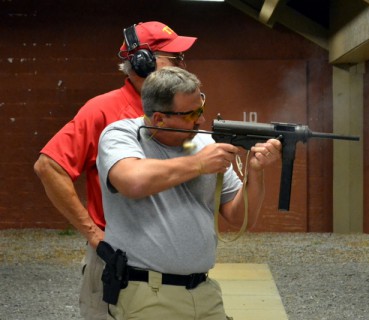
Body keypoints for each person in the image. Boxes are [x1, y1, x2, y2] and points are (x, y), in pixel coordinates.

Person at [33, 21, 197, 319]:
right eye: (174, 59)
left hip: (169, 263)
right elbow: (49, 166)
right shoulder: (103, 110)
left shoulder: (180, 111)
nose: (183, 66)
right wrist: (93, 234)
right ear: (142, 62)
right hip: (118, 258)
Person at [96, 66, 282, 319]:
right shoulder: (121, 135)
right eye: (191, 114)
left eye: (201, 108)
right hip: (148, 294)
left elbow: (240, 219)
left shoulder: (203, 143)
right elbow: (132, 182)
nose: (201, 120)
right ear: (159, 118)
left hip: (204, 292)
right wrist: (198, 164)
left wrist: (256, 173)